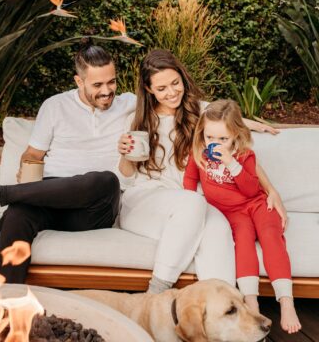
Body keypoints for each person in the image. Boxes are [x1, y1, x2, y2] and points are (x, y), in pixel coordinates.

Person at [0, 43, 136, 283]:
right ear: (79, 81)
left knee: (105, 179)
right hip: (51, 198)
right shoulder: (54, 106)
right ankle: (7, 304)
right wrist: (27, 170)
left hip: (95, 206)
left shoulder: (130, 103)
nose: (107, 91)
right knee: (17, 215)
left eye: (111, 82)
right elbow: (32, 155)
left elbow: (169, 94)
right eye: (97, 85)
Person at [115, 49, 284, 295]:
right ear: (149, 89)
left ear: (183, 78)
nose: (171, 92)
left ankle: (222, 310)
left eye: (176, 83)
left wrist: (271, 190)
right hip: (144, 201)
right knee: (194, 201)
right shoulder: (136, 121)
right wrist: (124, 153)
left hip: (189, 203)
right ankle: (156, 292)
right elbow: (127, 178)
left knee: (219, 228)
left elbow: (239, 149)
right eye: (161, 89)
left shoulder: (200, 113)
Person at [183, 99, 301, 334]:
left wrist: (230, 162)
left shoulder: (245, 155)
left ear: (236, 135)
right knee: (243, 244)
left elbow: (250, 189)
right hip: (232, 214)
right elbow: (190, 180)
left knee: (271, 237)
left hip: (256, 204)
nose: (214, 144)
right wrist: (189, 204)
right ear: (202, 134)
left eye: (223, 139)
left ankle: (286, 302)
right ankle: (251, 303)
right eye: (210, 138)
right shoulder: (198, 153)